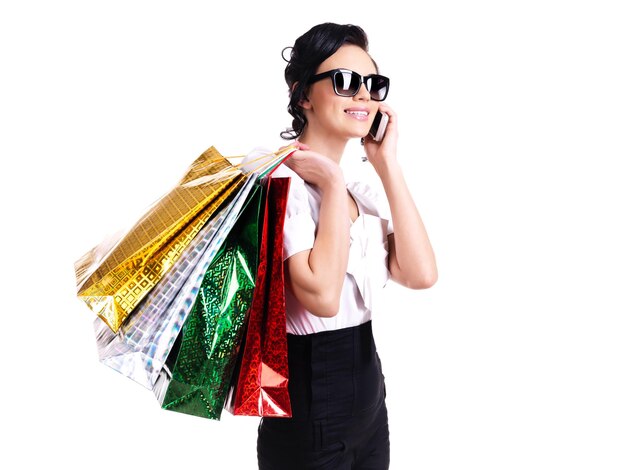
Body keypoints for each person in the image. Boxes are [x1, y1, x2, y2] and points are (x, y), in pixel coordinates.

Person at [257, 23, 438, 469]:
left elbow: (421, 274)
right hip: (309, 405)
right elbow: (320, 296)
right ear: (303, 96)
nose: (363, 96)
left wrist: (386, 164)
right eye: (344, 82)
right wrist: (332, 183)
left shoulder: (361, 192)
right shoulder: (281, 187)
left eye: (372, 85)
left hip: (370, 403)